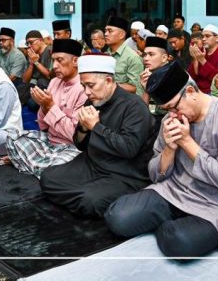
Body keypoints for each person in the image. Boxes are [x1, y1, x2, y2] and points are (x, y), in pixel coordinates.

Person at [105, 61, 218, 258]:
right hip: (173, 191)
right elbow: (156, 175)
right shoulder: (170, 119)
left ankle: (171, 226)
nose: (171, 115)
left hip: (216, 204)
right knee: (117, 217)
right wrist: (169, 149)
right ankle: (168, 222)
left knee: (179, 241)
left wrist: (186, 141)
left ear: (190, 91)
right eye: (166, 110)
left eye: (174, 107)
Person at [39, 54, 156, 217]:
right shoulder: (92, 101)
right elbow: (80, 145)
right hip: (92, 164)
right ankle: (82, 196)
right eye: (83, 86)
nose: (87, 92)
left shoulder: (135, 107)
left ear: (108, 81)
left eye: (91, 85)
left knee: (90, 201)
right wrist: (83, 129)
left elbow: (128, 149)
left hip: (123, 173)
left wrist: (95, 126)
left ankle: (85, 197)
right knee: (47, 178)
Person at [6, 39, 86, 177]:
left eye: (60, 60)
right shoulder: (54, 82)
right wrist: (43, 106)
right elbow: (43, 127)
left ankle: (30, 163)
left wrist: (50, 106)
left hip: (71, 147)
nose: (54, 66)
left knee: (55, 170)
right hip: (50, 140)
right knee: (12, 138)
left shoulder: (84, 88)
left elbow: (74, 136)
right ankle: (40, 167)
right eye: (53, 60)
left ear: (75, 61)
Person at [104, 16, 144, 95]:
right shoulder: (105, 55)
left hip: (125, 105)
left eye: (110, 31)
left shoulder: (132, 58)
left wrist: (108, 85)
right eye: (105, 31)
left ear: (121, 35)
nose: (105, 34)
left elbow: (136, 89)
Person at [140, 36, 171, 123]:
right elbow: (143, 113)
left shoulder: (174, 75)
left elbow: (168, 108)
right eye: (144, 55)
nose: (146, 58)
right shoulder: (151, 75)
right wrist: (147, 88)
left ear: (164, 58)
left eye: (151, 54)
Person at [190, 24, 218, 93]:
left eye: (207, 36)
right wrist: (195, 59)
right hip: (198, 90)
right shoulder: (201, 51)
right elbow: (193, 77)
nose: (204, 39)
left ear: (217, 38)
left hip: (214, 91)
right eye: (202, 36)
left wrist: (202, 60)